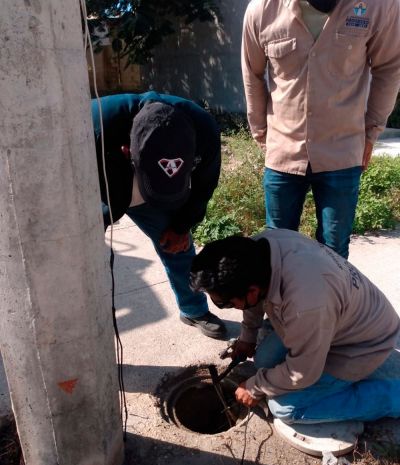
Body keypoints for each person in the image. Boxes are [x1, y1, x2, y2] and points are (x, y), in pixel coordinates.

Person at [241, 0, 400, 259]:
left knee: (334, 253)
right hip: (283, 153)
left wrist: (371, 131)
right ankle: (285, 301)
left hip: (342, 152)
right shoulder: (263, 9)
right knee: (277, 250)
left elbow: (390, 68)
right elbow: (252, 73)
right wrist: (261, 135)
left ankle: (331, 301)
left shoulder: (376, 6)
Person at [190, 229, 400, 423]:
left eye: (225, 303)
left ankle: (390, 397)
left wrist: (255, 387)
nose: (224, 306)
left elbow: (303, 373)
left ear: (252, 291)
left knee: (284, 408)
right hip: (337, 318)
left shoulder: (305, 305)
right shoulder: (257, 250)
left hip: (362, 345)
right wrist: (247, 336)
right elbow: (250, 298)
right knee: (263, 360)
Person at [92, 91, 226, 338]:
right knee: (83, 261)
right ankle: (85, 326)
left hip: (157, 196)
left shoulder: (203, 131)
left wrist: (181, 225)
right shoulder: (95, 123)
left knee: (178, 247)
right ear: (127, 150)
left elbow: (205, 185)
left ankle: (193, 310)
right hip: (103, 191)